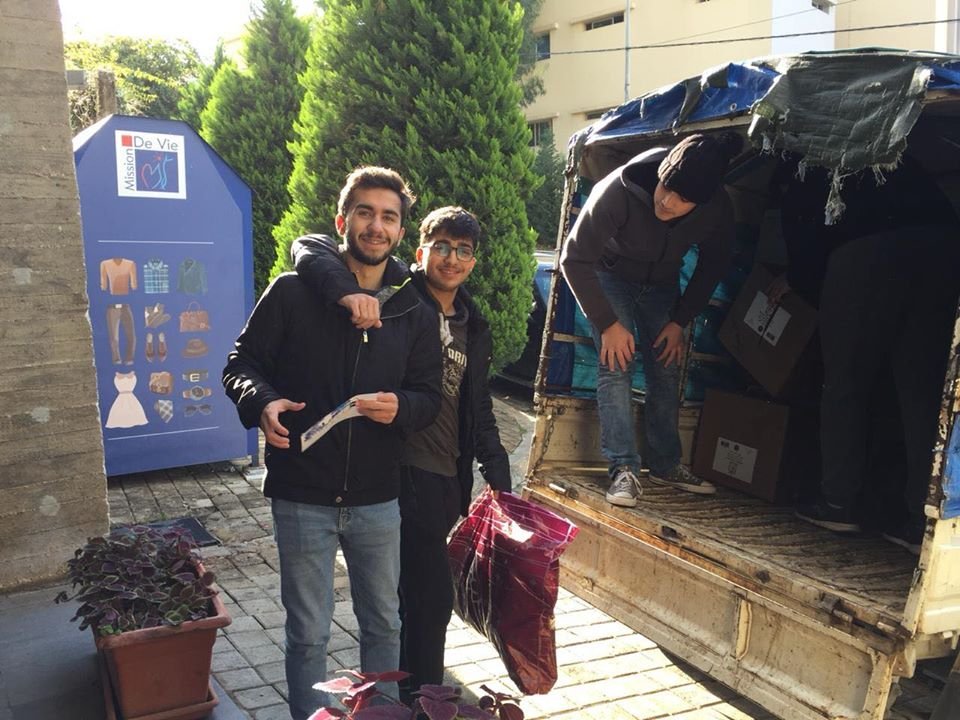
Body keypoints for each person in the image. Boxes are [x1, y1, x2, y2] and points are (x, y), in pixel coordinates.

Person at [222, 166, 442, 720]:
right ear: (343, 221)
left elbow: (429, 397)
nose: (376, 226)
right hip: (302, 493)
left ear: (400, 232)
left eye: (388, 217)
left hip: (378, 498)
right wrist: (261, 401)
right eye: (365, 213)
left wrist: (402, 407)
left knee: (384, 625)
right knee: (307, 634)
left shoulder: (413, 310)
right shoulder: (291, 293)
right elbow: (240, 364)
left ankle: (380, 715)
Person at [291, 206, 512, 702]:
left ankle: (404, 694)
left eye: (463, 250)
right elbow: (309, 246)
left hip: (448, 477)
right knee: (430, 599)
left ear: (473, 261)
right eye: (442, 247)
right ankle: (424, 700)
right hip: (399, 470)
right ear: (420, 251)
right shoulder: (395, 300)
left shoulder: (473, 323)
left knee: (410, 598)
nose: (451, 259)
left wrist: (498, 474)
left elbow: (477, 404)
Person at [784, 158, 960, 554]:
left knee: (844, 382)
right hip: (946, 245)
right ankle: (920, 518)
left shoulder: (801, 164)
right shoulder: (887, 145)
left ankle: (838, 502)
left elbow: (805, 258)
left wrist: (799, 287)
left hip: (866, 246)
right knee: (923, 387)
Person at [560, 132, 742, 507]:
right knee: (616, 363)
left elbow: (714, 265)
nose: (667, 201)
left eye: (683, 199)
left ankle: (666, 464)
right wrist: (608, 323)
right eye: (666, 186)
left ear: (702, 202)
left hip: (662, 285)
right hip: (611, 276)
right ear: (661, 172)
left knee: (667, 365)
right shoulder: (618, 189)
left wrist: (680, 320)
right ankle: (623, 470)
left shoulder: (717, 209)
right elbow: (573, 259)